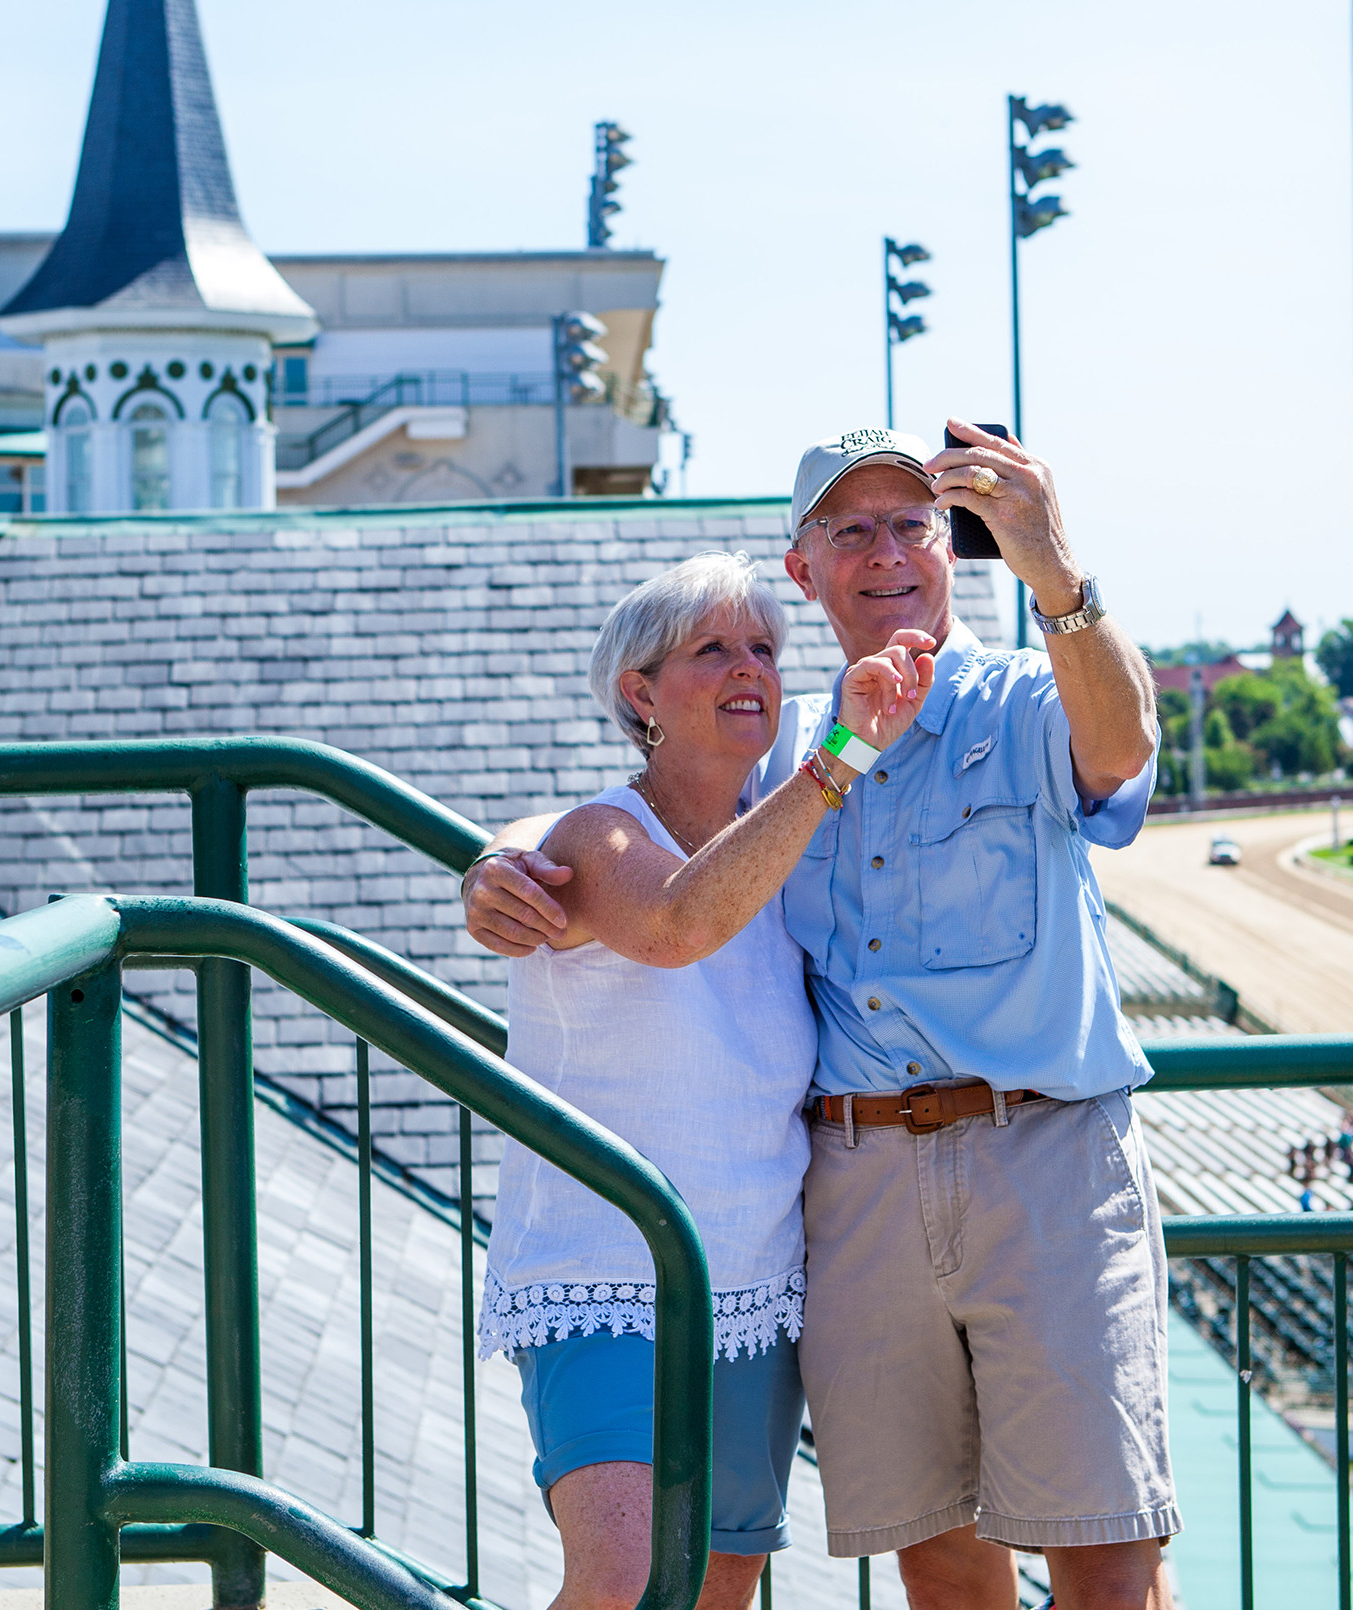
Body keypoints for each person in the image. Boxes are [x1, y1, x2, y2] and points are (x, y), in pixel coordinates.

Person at [465, 421, 1180, 1610]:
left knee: (1105, 1551)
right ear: (807, 568)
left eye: (912, 523)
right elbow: (644, 837)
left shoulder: (1021, 695)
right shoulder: (785, 738)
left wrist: (1054, 567)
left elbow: (1122, 746)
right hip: (856, 1193)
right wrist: (494, 866)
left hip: (1042, 1156)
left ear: (956, 545)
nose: (885, 551)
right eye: (849, 529)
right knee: (938, 1556)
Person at [480, 551, 934, 1610]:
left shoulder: (786, 831)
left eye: (767, 648)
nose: (752, 669)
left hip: (754, 1281)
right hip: (601, 1276)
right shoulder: (597, 832)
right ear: (640, 694)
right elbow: (678, 920)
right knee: (628, 1578)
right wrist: (838, 759)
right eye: (714, 648)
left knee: (719, 1584)